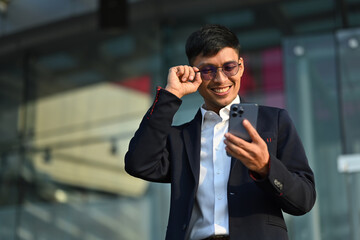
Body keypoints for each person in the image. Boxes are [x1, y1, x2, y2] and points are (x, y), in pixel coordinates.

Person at [125, 24, 316, 240]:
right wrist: (171, 95)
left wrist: (266, 167)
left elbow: (304, 199)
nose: (221, 79)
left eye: (229, 67)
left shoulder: (273, 121)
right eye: (207, 70)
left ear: (241, 67)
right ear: (193, 73)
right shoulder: (180, 137)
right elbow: (138, 164)